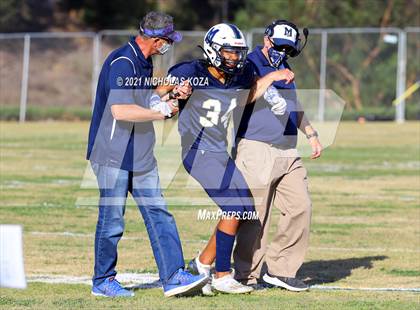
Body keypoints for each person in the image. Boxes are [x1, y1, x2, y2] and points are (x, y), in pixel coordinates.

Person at [157, 23, 294, 295]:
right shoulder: (191, 72)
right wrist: (175, 93)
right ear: (213, 50)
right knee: (234, 207)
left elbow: (250, 93)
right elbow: (160, 90)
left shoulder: (240, 75)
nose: (234, 57)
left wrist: (273, 78)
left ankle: (203, 263)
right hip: (198, 152)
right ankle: (222, 274)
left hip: (220, 151)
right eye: (229, 52)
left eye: (237, 52)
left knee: (243, 209)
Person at [86, 11, 207, 298]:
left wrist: (170, 95)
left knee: (159, 212)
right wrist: (160, 111)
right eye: (167, 39)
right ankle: (102, 281)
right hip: (112, 154)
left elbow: (143, 99)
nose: (168, 45)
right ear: (154, 39)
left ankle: (175, 275)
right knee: (112, 219)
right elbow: (120, 110)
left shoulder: (145, 61)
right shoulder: (123, 62)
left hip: (139, 152)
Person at [232, 20, 323, 292]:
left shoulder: (285, 66)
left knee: (301, 207)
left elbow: (292, 106)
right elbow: (240, 98)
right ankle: (244, 274)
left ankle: (281, 270)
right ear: (266, 39)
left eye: (288, 49)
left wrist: (311, 133)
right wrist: (271, 77)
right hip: (255, 147)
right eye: (279, 45)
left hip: (287, 149)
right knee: (256, 217)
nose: (282, 52)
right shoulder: (248, 63)